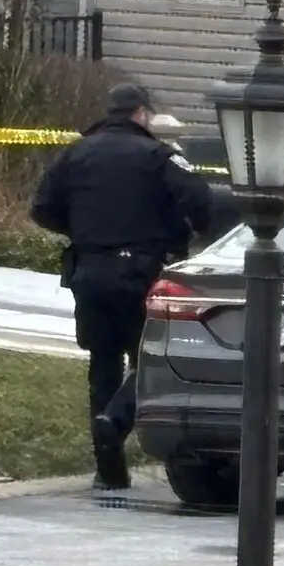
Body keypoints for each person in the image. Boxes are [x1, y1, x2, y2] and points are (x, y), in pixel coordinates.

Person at [31, 82, 212, 490]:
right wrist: (185, 232)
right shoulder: (157, 155)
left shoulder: (75, 153)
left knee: (103, 361)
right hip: (141, 273)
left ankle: (108, 468)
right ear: (141, 114)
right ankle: (115, 420)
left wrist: (81, 229)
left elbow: (41, 208)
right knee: (148, 359)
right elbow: (200, 202)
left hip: (89, 271)